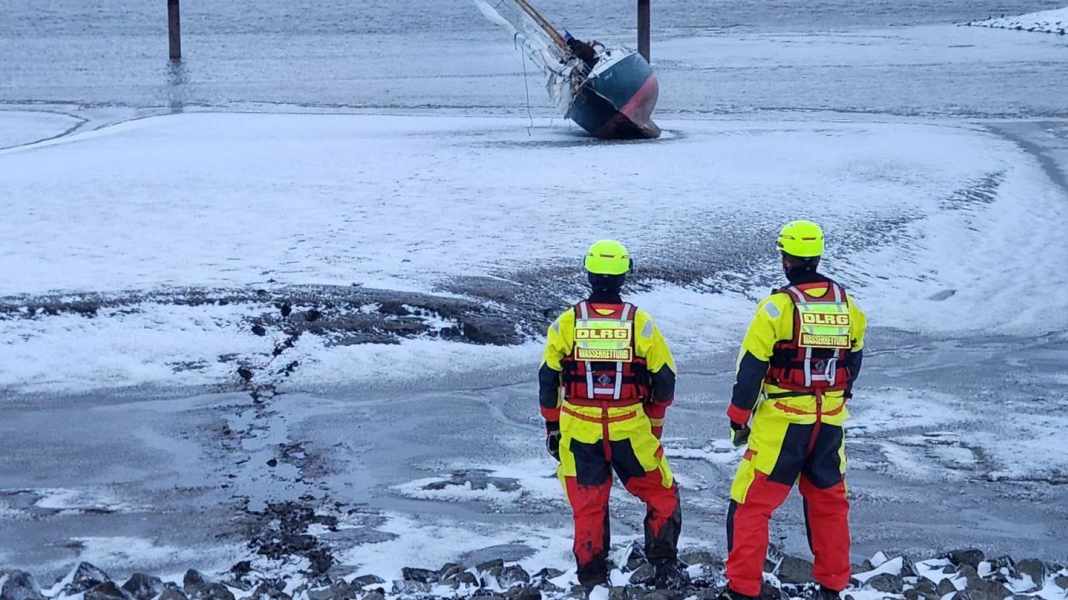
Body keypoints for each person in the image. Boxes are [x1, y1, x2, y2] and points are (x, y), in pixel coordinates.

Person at [721, 220, 867, 600]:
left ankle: (742, 589)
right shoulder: (848, 305)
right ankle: (832, 587)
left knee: (752, 504)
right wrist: (837, 398)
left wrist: (739, 419)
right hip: (830, 423)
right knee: (829, 503)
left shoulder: (776, 308)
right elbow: (853, 360)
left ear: (785, 258)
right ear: (817, 256)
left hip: (782, 424)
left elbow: (751, 369)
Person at [539, 239, 687, 590]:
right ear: (624, 276)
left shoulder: (567, 322)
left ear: (589, 274)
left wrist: (552, 424)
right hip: (629, 428)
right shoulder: (640, 323)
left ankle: (592, 581)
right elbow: (664, 380)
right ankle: (663, 568)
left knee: (588, 505)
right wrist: (652, 421)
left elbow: (548, 378)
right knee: (662, 492)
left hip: (578, 429)